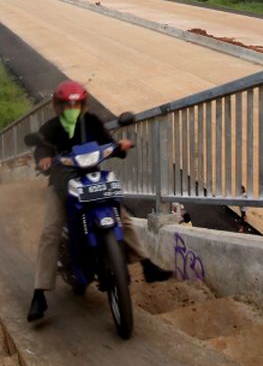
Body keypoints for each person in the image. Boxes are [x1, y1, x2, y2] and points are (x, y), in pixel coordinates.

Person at [28, 80, 172, 322]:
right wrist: (44, 159)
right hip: (62, 184)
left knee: (122, 216)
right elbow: (41, 149)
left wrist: (120, 146)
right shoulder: (50, 128)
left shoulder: (92, 122)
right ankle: (39, 293)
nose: (71, 108)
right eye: (66, 105)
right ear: (58, 106)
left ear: (83, 105)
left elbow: (108, 141)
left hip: (94, 180)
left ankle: (147, 264)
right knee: (50, 232)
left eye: (76, 104)